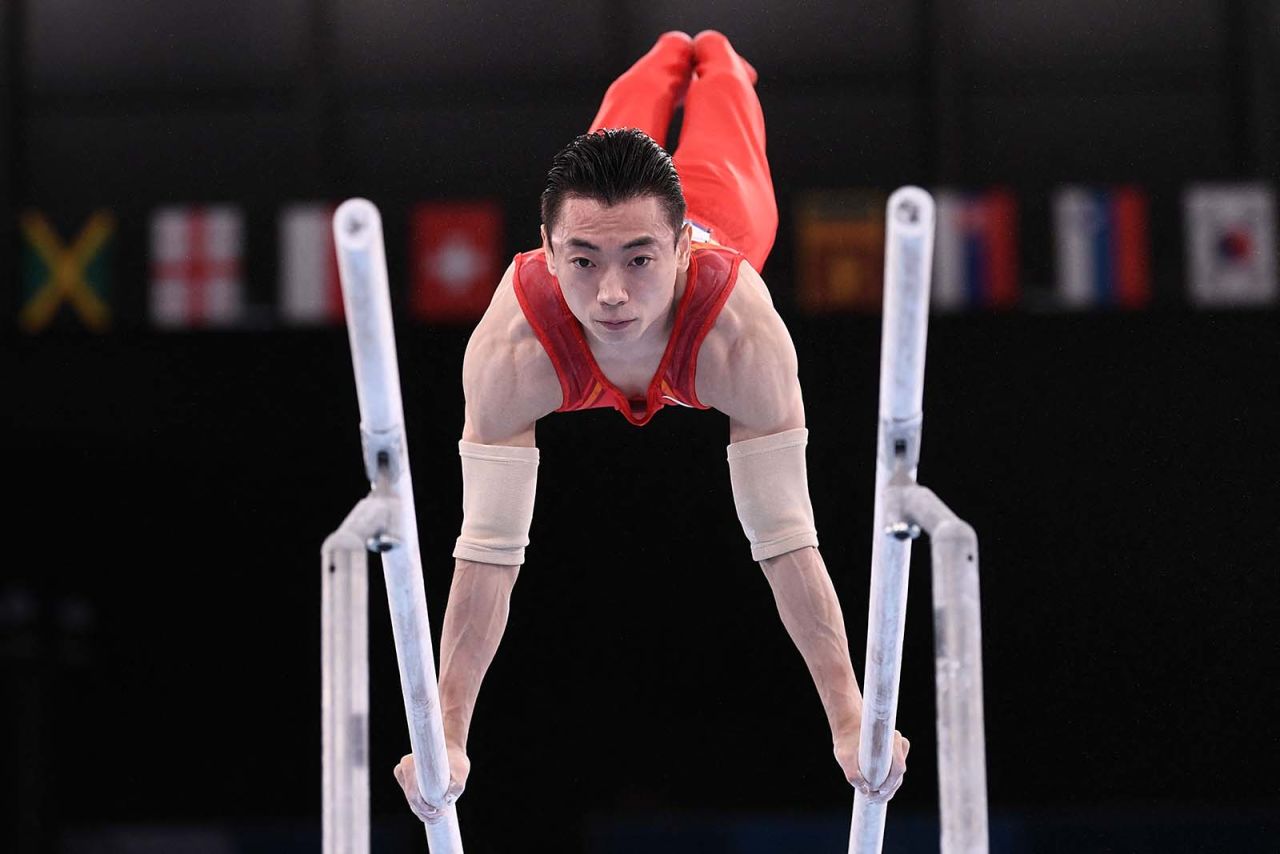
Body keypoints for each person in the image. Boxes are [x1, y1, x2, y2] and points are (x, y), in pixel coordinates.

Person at [393, 29, 909, 824]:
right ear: (546, 249)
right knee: (615, 139)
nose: (609, 295)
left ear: (678, 248)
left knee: (726, 103)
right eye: (583, 261)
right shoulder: (512, 347)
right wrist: (448, 732)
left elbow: (784, 538)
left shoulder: (739, 333)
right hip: (599, 278)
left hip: (725, 220)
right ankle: (667, 50)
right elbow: (489, 553)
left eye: (639, 259)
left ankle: (716, 56)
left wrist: (849, 712)